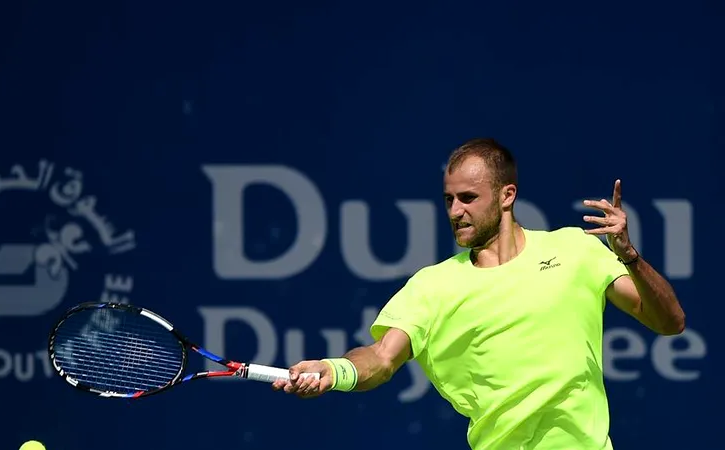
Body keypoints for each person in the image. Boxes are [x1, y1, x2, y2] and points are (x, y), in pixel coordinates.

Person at [271, 138, 686, 449]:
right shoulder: (432, 287)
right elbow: (380, 358)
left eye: (468, 198)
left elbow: (670, 322)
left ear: (507, 195)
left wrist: (630, 257)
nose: (455, 211)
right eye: (449, 199)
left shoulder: (574, 249)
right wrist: (334, 370)